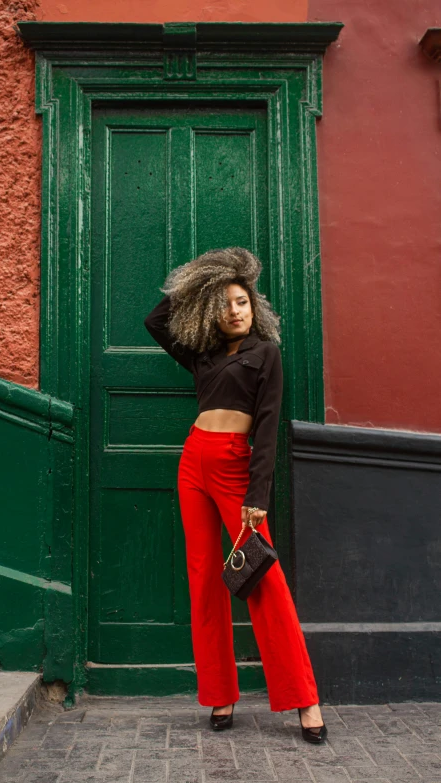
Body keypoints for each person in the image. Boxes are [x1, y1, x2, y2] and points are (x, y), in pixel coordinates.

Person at [144, 247, 327, 743]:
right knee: (204, 577)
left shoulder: (266, 353)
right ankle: (219, 694)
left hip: (233, 465)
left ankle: (304, 699)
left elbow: (267, 427)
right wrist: (204, 280)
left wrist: (258, 493)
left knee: (262, 578)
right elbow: (156, 320)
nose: (234, 310)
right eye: (224, 303)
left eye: (242, 301)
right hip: (193, 461)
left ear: (255, 307)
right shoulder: (202, 354)